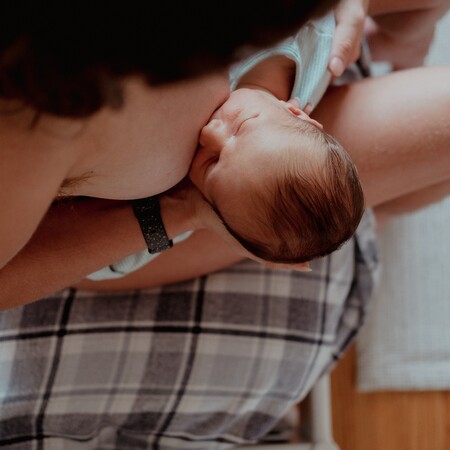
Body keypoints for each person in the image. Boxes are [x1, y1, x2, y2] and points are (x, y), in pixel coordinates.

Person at [1, 2, 449, 449]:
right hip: (189, 210)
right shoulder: (26, 140)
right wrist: (186, 212)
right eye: (213, 157)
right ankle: (380, 211)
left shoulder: (281, 83)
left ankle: (394, 77)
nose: (212, 132)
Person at [85, 13, 364, 283]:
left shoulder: (196, 195)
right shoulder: (307, 40)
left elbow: (105, 268)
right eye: (242, 124)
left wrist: (191, 213)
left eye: (212, 163)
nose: (210, 133)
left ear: (213, 210)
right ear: (298, 113)